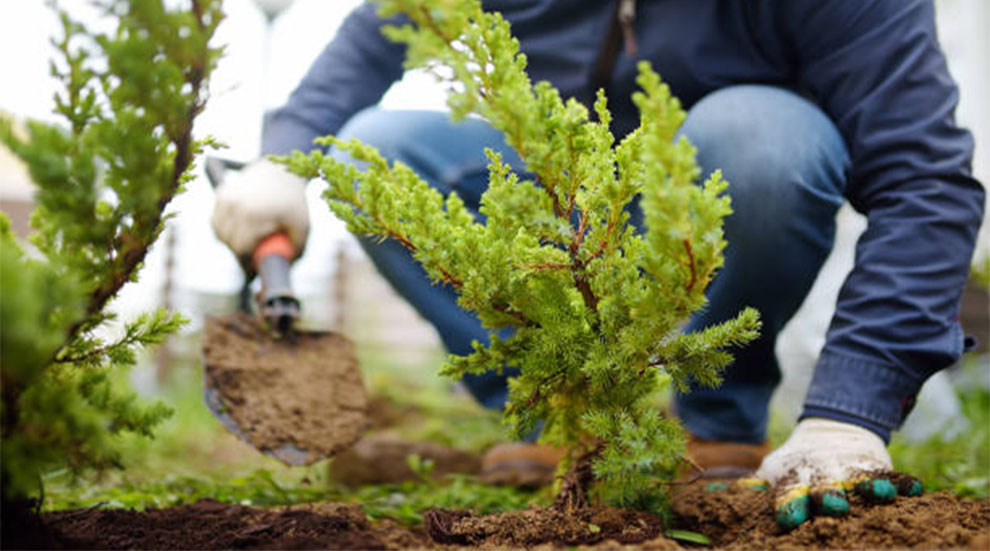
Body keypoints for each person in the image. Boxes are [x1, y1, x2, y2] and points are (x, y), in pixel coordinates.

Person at [212, 0, 985, 528]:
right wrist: (283, 157)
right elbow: (383, 26)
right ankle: (556, 409)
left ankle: (716, 417)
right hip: (569, 200)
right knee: (375, 150)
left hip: (722, 198)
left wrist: (849, 410)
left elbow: (924, 178)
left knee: (762, 139)